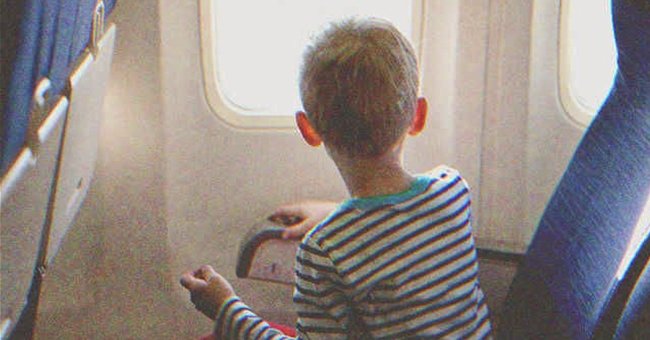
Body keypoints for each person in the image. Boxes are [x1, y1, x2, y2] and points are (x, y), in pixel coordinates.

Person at [180, 17, 492, 339]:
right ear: (418, 116)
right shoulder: (453, 190)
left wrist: (226, 309)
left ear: (308, 129)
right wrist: (337, 212)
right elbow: (400, 222)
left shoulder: (326, 249)